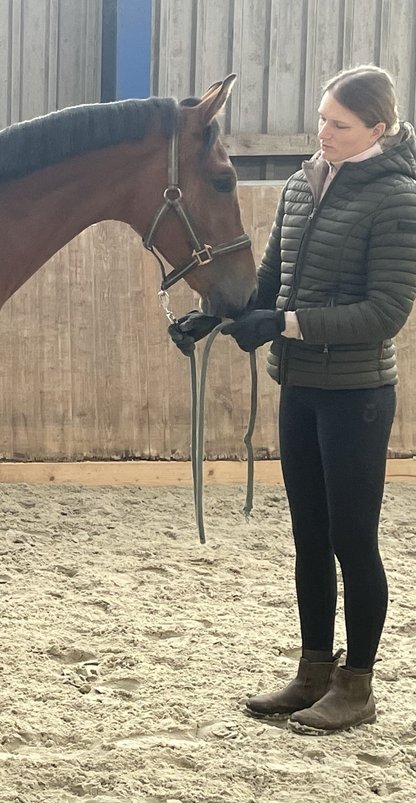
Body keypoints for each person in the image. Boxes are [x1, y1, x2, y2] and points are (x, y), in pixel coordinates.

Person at [172, 65, 416, 733]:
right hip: (301, 385)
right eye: (321, 119)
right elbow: (271, 282)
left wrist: (282, 325)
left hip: (358, 393)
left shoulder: (398, 200)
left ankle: (357, 684)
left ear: (378, 128)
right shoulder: (301, 186)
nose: (323, 133)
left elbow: (386, 310)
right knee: (310, 537)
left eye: (339, 125)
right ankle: (314, 670)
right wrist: (219, 316)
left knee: (352, 540)